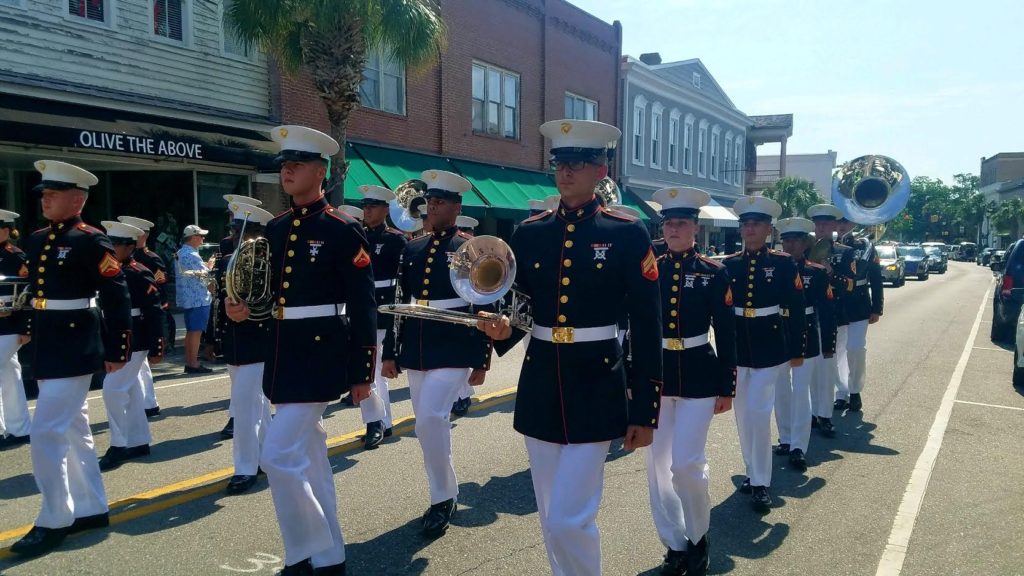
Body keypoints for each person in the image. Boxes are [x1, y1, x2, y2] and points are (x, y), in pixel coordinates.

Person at [479, 119, 662, 575]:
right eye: (560, 162)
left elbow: (646, 322)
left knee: (568, 518)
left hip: (597, 382)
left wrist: (645, 409)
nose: (565, 172)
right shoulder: (531, 231)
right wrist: (505, 328)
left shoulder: (627, 232)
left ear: (601, 168)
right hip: (542, 381)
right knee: (549, 516)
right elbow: (521, 304)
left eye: (578, 163)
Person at [225, 125, 376, 575]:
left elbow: (363, 304)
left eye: (297, 164)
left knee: (275, 455)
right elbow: (270, 298)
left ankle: (307, 549)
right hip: (283, 351)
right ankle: (328, 557)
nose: (287, 171)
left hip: (321, 353)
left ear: (321, 172)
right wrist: (245, 312)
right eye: (284, 165)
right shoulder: (276, 227)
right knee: (310, 459)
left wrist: (363, 371)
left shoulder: (342, 229)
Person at [10, 160, 132, 557]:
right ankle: (91, 505)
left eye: (54, 193)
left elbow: (116, 296)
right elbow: (34, 289)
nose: (44, 198)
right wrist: (26, 325)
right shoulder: (37, 238)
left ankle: (54, 518)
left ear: (77, 199)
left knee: (45, 430)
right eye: (43, 192)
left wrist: (118, 349)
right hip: (47, 341)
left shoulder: (90, 241)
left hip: (76, 342)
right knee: (74, 428)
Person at [381, 170, 493, 539]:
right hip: (417, 344)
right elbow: (401, 303)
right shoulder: (412, 248)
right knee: (426, 422)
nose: (433, 206)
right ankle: (442, 491)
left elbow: (483, 304)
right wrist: (391, 353)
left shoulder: (470, 248)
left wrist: (482, 358)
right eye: (431, 200)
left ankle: (443, 496)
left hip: (455, 343)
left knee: (430, 418)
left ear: (457, 207)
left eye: (441, 201)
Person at [645, 187, 736, 576]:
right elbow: (637, 327)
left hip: (700, 374)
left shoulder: (714, 272)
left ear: (695, 228)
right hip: (658, 375)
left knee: (686, 464)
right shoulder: (650, 270)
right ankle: (675, 545)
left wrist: (727, 385)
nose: (674, 229)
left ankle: (699, 537)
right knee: (658, 465)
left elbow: (727, 333)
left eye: (681, 222)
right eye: (668, 222)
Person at [723, 195, 805, 512]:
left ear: (768, 229)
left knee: (758, 413)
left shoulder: (783, 264)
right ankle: (751, 471)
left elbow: (796, 309)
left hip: (770, 345)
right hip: (738, 346)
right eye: (745, 224)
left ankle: (760, 482)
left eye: (756, 223)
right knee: (744, 415)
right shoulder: (729, 265)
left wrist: (797, 348)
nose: (750, 228)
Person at [97, 221, 165, 471]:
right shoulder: (107, 270)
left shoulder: (139, 272)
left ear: (129, 247)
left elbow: (154, 311)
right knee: (133, 390)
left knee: (112, 389)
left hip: (135, 339)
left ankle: (119, 443)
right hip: (114, 335)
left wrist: (158, 345)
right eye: (109, 244)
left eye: (116, 245)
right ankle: (138, 440)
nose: (111, 249)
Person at [219, 202, 274, 495]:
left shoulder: (271, 260)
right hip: (234, 341)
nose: (235, 236)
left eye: (242, 231)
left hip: (258, 338)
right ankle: (265, 456)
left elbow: (270, 301)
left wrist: (247, 308)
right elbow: (221, 300)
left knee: (244, 406)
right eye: (233, 229)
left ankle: (244, 467)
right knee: (257, 405)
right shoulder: (226, 259)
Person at [773, 218, 836, 471]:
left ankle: (799, 446)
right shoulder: (773, 269)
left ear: (805, 244)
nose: (790, 245)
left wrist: (828, 343)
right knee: (780, 389)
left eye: (796, 241)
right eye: (786, 240)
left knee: (801, 390)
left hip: (807, 332)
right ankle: (786, 438)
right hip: (779, 331)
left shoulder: (816, 272)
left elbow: (827, 310)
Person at [357, 185, 405, 450]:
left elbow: (401, 283)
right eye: (365, 206)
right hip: (359, 312)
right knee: (365, 372)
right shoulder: (358, 236)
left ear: (386, 210)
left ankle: (376, 422)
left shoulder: (396, 240)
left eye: (372, 207)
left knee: (374, 372)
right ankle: (382, 421)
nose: (367, 211)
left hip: (383, 313)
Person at [806, 204, 854, 436]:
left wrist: (830, 273)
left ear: (835, 226)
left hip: (833, 316)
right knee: (809, 370)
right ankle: (811, 413)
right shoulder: (804, 250)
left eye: (826, 223)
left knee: (827, 367)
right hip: (807, 316)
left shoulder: (844, 252)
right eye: (818, 224)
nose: (821, 228)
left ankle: (824, 415)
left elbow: (850, 284)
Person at [117, 215, 167, 419]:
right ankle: (147, 403)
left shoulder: (150, 259)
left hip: (143, 316)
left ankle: (148, 403)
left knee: (136, 367)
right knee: (139, 367)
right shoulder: (118, 262)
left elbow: (158, 288)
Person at [833, 216, 883, 412]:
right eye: (839, 222)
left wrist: (877, 307)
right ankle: (841, 393)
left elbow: (876, 278)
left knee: (855, 348)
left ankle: (855, 391)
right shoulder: (827, 246)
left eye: (845, 222)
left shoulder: (865, 246)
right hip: (836, 304)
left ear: (853, 224)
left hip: (859, 303)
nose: (842, 226)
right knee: (836, 352)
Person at [0, 209, 31, 448]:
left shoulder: (16, 256)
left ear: (7, 230)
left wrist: (26, 327)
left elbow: (28, 294)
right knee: (10, 375)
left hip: (10, 325)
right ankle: (19, 428)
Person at [449, 214, 481, 418]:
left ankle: (463, 395)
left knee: (460, 355)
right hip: (453, 305)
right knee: (455, 357)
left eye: (466, 230)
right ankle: (462, 394)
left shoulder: (472, 248)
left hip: (468, 305)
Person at [176, 224, 214, 374]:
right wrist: (210, 265)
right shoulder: (191, 254)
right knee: (196, 332)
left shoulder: (181, 252)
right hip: (197, 298)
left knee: (191, 331)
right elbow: (204, 274)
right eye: (200, 236)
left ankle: (190, 361)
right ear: (193, 237)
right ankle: (193, 364)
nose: (202, 239)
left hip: (189, 298)